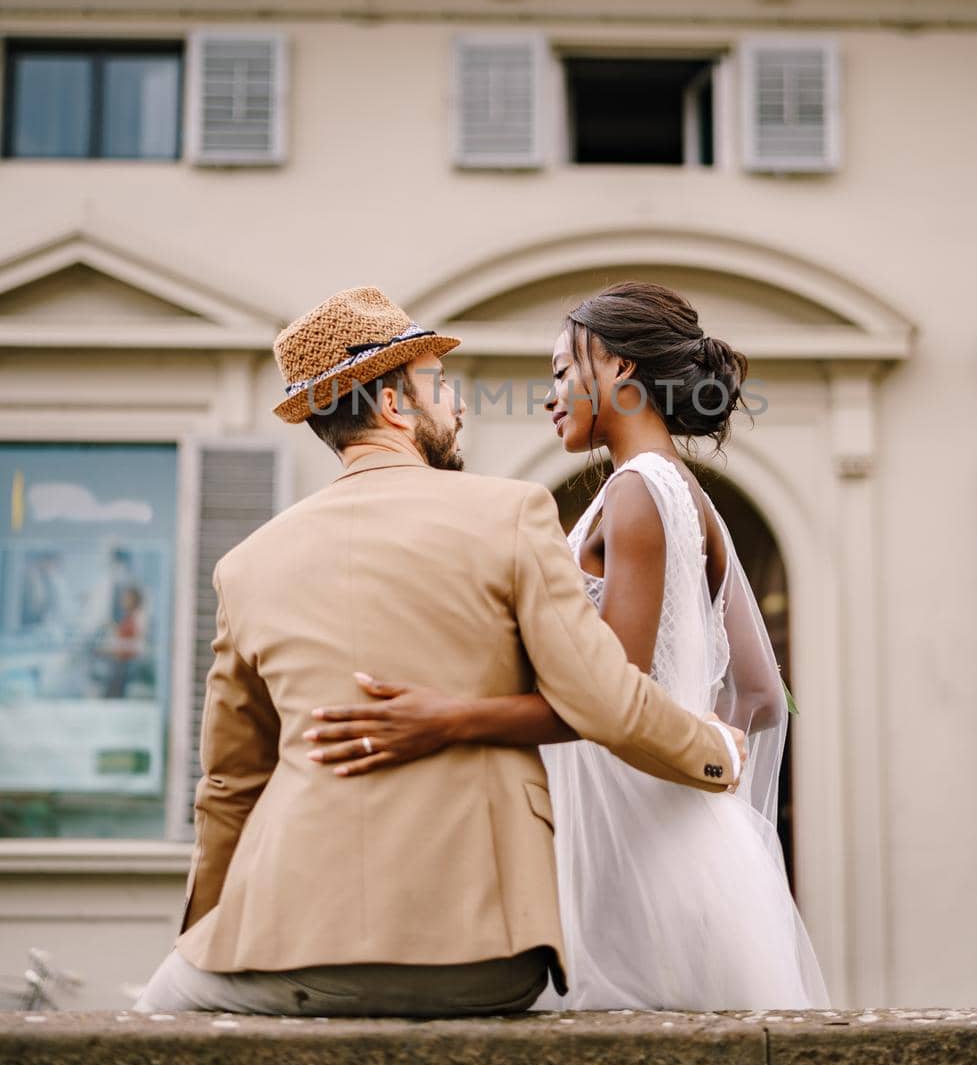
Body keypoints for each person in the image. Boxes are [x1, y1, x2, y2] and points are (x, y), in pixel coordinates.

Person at [133, 286, 747, 1018]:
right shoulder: (509, 512)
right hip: (488, 957)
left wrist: (210, 934)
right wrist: (718, 752)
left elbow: (230, 785)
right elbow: (608, 700)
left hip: (280, 951)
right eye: (443, 386)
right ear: (396, 406)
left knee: (148, 1017)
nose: (458, 407)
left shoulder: (244, 564)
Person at [305, 282, 829, 1011]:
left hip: (626, 850)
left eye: (558, 373)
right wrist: (709, 764)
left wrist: (448, 718)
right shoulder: (687, 494)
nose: (547, 395)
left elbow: (608, 696)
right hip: (686, 842)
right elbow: (763, 694)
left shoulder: (632, 493)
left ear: (616, 369)